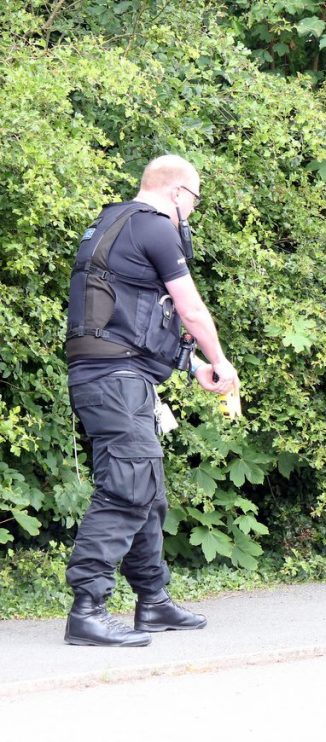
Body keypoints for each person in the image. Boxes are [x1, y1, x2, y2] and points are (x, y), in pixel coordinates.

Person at [63, 154, 239, 646]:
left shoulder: (112, 223)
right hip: (114, 380)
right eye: (195, 201)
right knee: (127, 486)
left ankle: (153, 601)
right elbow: (190, 307)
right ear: (179, 193)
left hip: (114, 375)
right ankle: (87, 609)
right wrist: (221, 361)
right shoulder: (156, 226)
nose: (192, 213)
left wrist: (191, 365)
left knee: (147, 488)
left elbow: (132, 320)